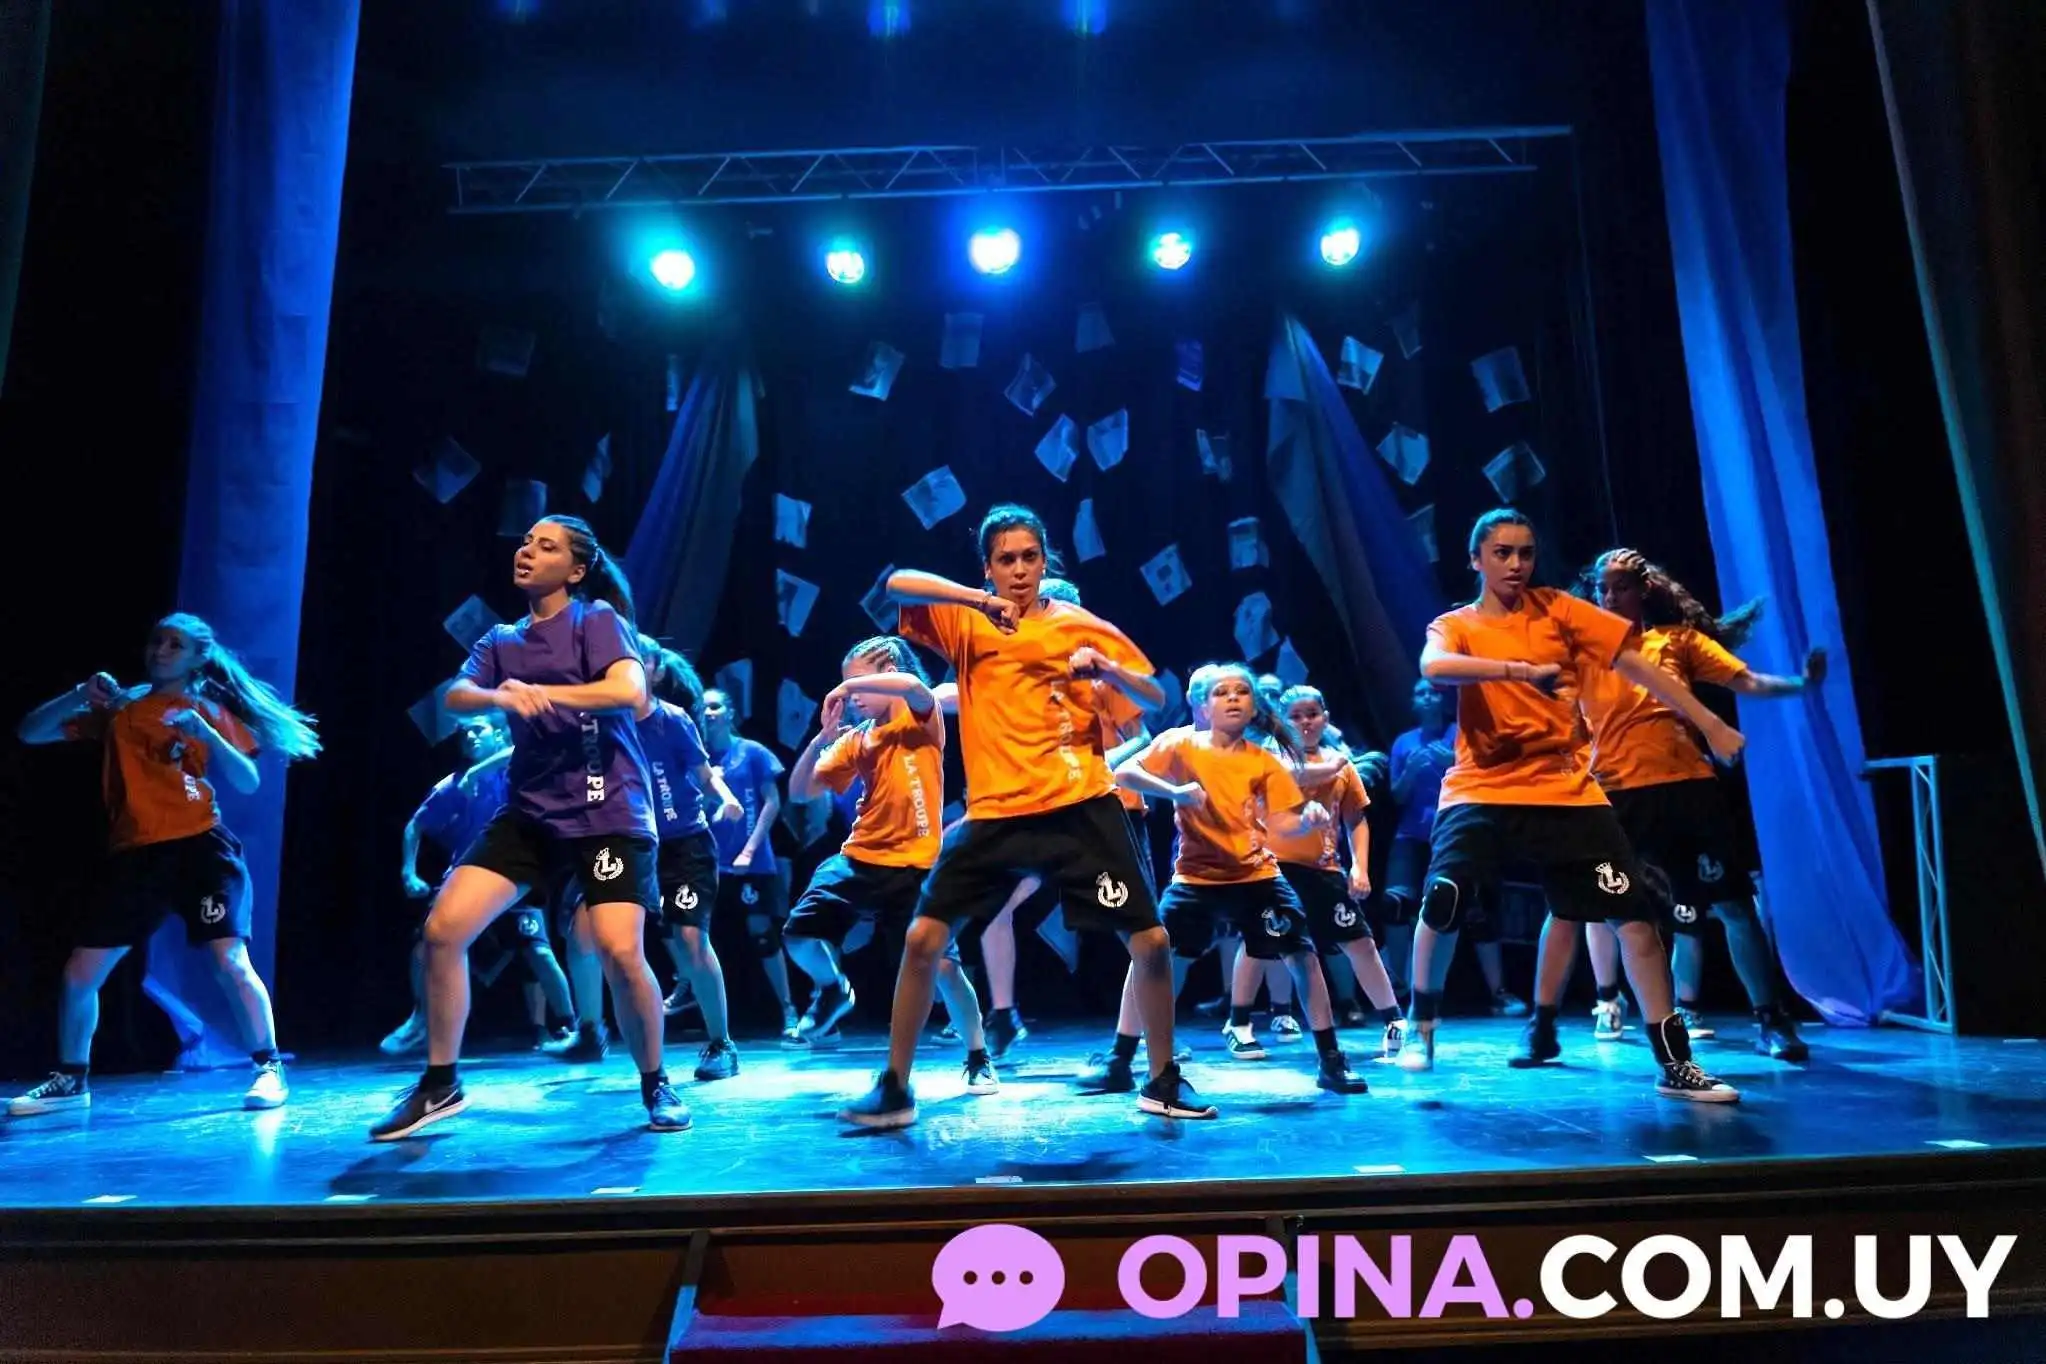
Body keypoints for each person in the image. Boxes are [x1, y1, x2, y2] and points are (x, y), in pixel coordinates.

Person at [839, 504, 1204, 1127]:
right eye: (1005, 559)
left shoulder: (1077, 624)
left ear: (1043, 561)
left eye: (1029, 557)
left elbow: (1154, 694)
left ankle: (1163, 1079)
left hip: (1079, 806)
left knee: (1151, 941)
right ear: (988, 567)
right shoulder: (965, 621)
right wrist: (976, 601)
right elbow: (895, 584)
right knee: (923, 939)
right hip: (997, 814)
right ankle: (895, 1088)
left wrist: (1106, 667)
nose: (1018, 569)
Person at [1398, 508, 1741, 1102]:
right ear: (1476, 559)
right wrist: (1519, 672)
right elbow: (1435, 666)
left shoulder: (1559, 608)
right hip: (1482, 786)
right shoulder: (1455, 624)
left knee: (1635, 917)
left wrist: (1709, 723)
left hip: (1565, 788)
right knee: (1446, 897)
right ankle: (1420, 1022)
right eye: (1502, 553)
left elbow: (1637, 666)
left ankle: (1675, 1064)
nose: (1516, 564)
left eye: (1526, 552)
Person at [369, 517, 687, 1140]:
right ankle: (440, 1083)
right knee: (441, 932)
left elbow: (627, 690)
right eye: (525, 542)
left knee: (620, 951)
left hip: (606, 811)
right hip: (531, 813)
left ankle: (656, 1082)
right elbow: (456, 695)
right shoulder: (501, 639)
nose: (527, 552)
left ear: (576, 569)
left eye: (546, 546)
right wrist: (501, 698)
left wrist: (545, 693)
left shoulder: (595, 619)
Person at [11, 613, 319, 1116]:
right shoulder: (121, 706)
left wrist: (208, 733)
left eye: (175, 645)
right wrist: (78, 694)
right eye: (157, 641)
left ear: (198, 658)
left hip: (200, 848)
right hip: (136, 855)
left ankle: (268, 1067)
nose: (160, 651)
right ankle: (71, 1080)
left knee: (229, 961)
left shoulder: (206, 709)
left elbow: (248, 781)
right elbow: (30, 732)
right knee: (79, 974)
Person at [1575, 547, 1819, 1061]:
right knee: (1616, 908)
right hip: (1618, 795)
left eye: (1620, 587)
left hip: (1687, 787)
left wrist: (1802, 684)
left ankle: (1772, 1020)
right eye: (1602, 588)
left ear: (1643, 590)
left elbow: (1746, 681)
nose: (1609, 596)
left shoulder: (1676, 641)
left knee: (1732, 904)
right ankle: (1634, 1013)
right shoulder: (1583, 651)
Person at [1114, 666, 1368, 1094]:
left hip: (1256, 875)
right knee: (1152, 953)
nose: (1233, 698)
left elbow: (1281, 823)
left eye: (1241, 692)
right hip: (1196, 878)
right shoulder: (1180, 744)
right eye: (1222, 692)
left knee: (1302, 953)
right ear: (1203, 706)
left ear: (1253, 708)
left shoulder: (1263, 760)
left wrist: (1307, 820)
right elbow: (1124, 773)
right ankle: (1119, 1057)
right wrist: (1174, 792)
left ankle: (1330, 1059)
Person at [784, 636, 999, 1096]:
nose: (852, 695)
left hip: (917, 868)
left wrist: (851, 686)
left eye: (861, 683)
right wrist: (822, 739)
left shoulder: (921, 717)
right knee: (798, 934)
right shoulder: (857, 738)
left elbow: (915, 687)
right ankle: (833, 989)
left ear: (889, 672)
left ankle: (978, 1055)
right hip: (860, 859)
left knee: (944, 969)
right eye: (847, 686)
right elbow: (800, 792)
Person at [382, 715, 575, 1055]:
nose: (469, 736)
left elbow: (526, 749)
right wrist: (408, 872)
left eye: (478, 730)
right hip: (465, 878)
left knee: (540, 952)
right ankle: (421, 1018)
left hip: (514, 879)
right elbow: (415, 826)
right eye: (464, 733)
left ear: (499, 735)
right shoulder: (452, 787)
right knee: (427, 943)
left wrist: (479, 771)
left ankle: (573, 1028)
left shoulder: (518, 771)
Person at [1276, 685, 1407, 1058]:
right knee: (1266, 947)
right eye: (1295, 716)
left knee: (1359, 941)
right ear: (1282, 722)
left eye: (1312, 714)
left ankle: (1394, 1019)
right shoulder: (1272, 760)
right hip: (1276, 870)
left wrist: (1360, 867)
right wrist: (1340, 761)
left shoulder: (1341, 764)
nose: (1305, 722)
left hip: (1325, 869)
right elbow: (1294, 777)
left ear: (1325, 718)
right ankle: (1241, 1020)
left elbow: (1356, 820)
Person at [1385, 681, 1527, 1017]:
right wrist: (1410, 772)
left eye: (1433, 692)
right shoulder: (1404, 742)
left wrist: (1453, 761)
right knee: (1394, 903)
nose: (1427, 697)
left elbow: (1487, 778)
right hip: (1412, 835)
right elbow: (1397, 796)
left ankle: (1498, 992)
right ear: (1413, 702)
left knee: (1476, 911)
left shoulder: (1461, 735)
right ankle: (1399, 988)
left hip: (1455, 832)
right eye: (1420, 693)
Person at [697, 687, 797, 1040]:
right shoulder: (697, 755)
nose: (708, 713)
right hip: (708, 863)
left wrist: (750, 851)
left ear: (730, 713)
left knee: (762, 935)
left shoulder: (752, 752)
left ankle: (788, 1010)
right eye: (703, 707)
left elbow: (772, 802)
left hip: (750, 863)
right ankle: (709, 1018)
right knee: (696, 937)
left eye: (715, 706)